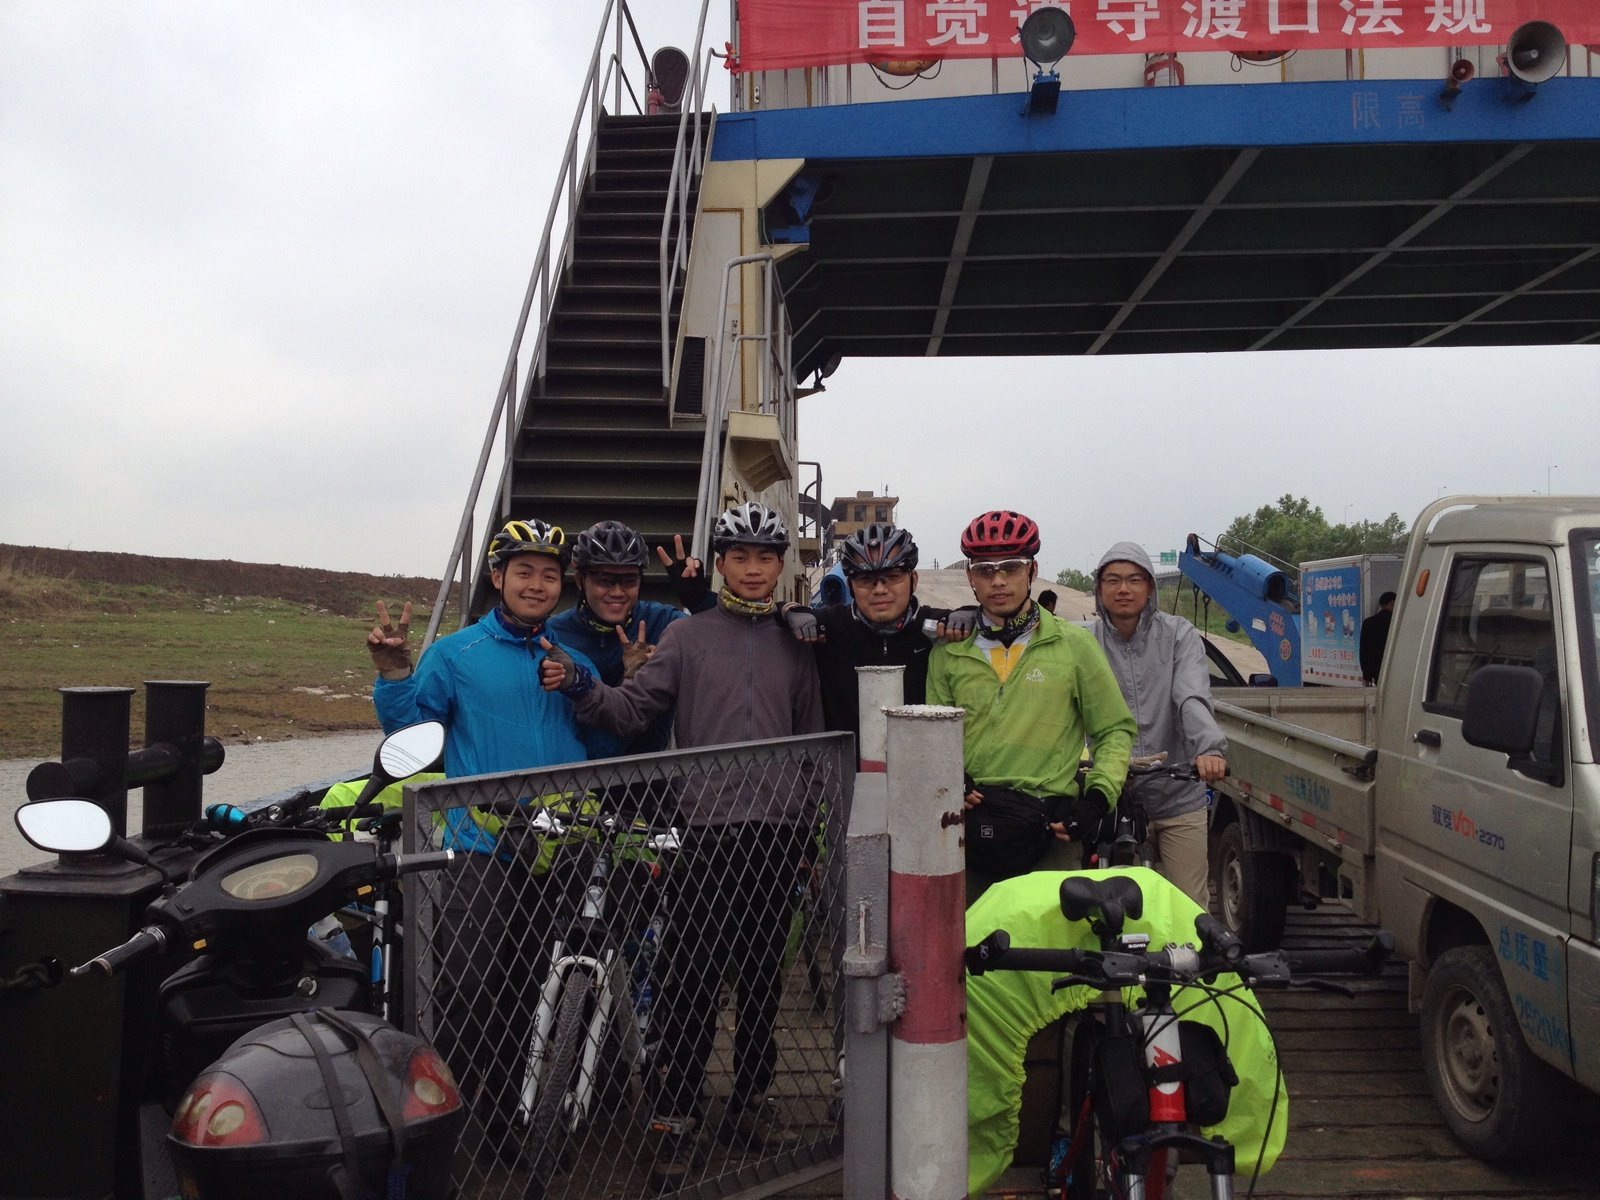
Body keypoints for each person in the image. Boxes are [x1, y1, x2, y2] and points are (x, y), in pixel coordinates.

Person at [540, 500, 824, 1187]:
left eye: (765, 558)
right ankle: (677, 1110)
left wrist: (812, 829)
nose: (752, 570)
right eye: (739, 557)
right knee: (690, 976)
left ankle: (750, 1099)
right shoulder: (687, 637)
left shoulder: (798, 641)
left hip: (778, 832)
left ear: (780, 566)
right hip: (703, 831)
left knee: (761, 977)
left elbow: (814, 740)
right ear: (720, 564)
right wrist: (583, 683)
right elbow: (634, 708)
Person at [364, 517, 600, 1151]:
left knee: (536, 984)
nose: (537, 584)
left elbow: (607, 733)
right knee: (470, 983)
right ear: (497, 577)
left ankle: (514, 1117)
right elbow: (411, 737)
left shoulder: (572, 662)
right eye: (523, 572)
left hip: (561, 844)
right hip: (479, 844)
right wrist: (395, 676)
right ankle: (455, 1119)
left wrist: (599, 682)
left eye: (549, 574)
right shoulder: (456, 654)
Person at [925, 510, 1135, 904]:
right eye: (985, 570)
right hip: (971, 833)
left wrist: (1096, 800)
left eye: (1011, 567)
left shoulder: (1073, 646)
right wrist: (950, 775)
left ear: (1032, 570)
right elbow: (935, 736)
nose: (998, 580)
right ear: (970, 577)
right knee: (970, 939)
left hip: (1050, 835)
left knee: (1051, 938)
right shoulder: (949, 653)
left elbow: (1113, 729)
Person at [1092, 542, 1228, 907]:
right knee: (1100, 906)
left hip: (1177, 793)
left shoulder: (1179, 635)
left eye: (1134, 580)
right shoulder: (1084, 642)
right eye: (1113, 580)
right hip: (1109, 797)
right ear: (1099, 588)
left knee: (1189, 906)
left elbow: (1191, 695)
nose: (1124, 589)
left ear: (1150, 587)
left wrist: (1208, 749)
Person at [778, 522, 975, 753]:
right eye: (865, 579)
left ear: (913, 579)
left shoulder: (935, 627)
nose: (880, 589)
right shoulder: (830, 626)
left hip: (920, 766)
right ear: (850, 586)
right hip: (843, 770)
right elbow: (770, 617)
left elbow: (990, 617)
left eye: (892, 576)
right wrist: (789, 611)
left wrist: (972, 613)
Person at [547, 521, 713, 757]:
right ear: (580, 580)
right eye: (604, 580)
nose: (617, 592)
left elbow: (727, 638)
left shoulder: (663, 622)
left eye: (629, 581)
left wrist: (702, 603)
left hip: (649, 772)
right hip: (574, 772)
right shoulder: (555, 634)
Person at [1360, 590, 1396, 685]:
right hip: (1396, 668)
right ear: (1392, 603)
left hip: (1377, 670)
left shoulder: (1368, 623)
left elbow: (1364, 650)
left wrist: (1367, 675)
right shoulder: (1396, 623)